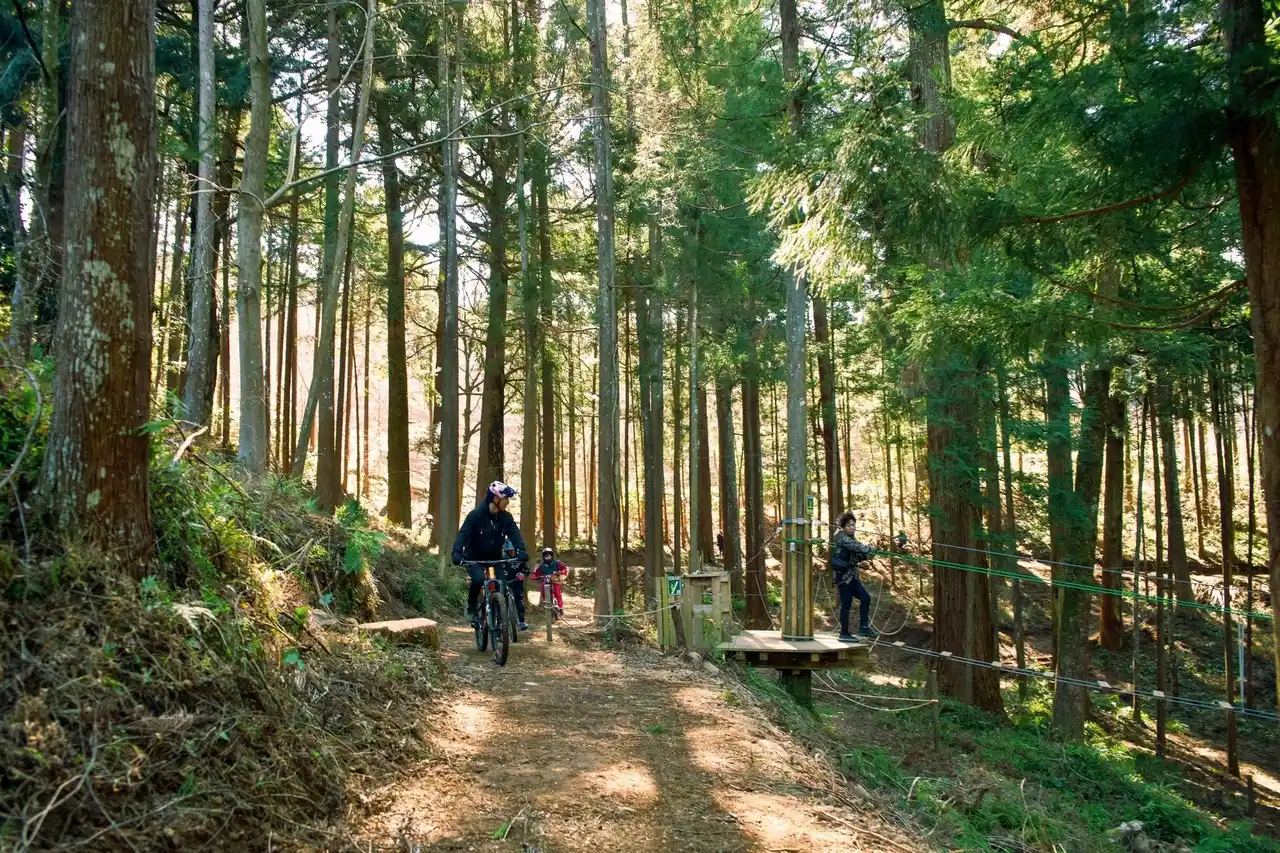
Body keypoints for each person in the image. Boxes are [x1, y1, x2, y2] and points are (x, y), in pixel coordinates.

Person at [452, 480, 530, 630]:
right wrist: (456, 552)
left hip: (495, 558)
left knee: (502, 584)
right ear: (495, 498)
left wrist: (522, 551)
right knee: (478, 579)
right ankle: (472, 607)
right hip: (475, 558)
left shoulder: (506, 518)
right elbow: (463, 534)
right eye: (505, 498)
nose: (507, 502)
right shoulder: (475, 515)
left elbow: (515, 535)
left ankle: (501, 618)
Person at [831, 512, 876, 641]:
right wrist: (870, 549)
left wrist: (865, 557)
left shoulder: (851, 538)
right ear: (843, 527)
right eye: (849, 525)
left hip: (851, 576)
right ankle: (844, 633)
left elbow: (857, 553)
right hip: (843, 578)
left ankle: (863, 627)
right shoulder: (843, 538)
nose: (852, 527)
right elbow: (858, 547)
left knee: (865, 598)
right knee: (846, 604)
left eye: (853, 525)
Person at [531, 546, 569, 615]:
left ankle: (560, 607)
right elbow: (536, 573)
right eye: (546, 556)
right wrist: (534, 577)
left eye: (549, 555)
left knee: (557, 593)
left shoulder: (557, 563)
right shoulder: (542, 566)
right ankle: (546, 604)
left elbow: (564, 569)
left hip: (555, 580)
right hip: (546, 581)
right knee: (543, 590)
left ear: (551, 555)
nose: (547, 557)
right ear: (543, 556)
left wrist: (561, 572)